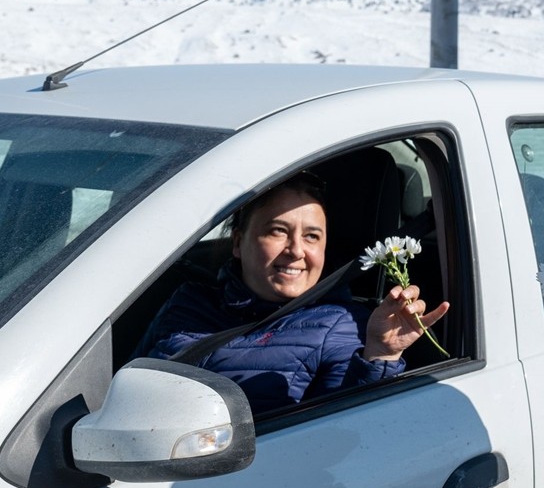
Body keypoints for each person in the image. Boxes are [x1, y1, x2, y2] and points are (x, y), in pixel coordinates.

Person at [137, 171, 449, 414]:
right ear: (237, 242)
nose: (296, 250)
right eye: (277, 231)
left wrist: (380, 355)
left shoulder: (341, 325)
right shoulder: (188, 300)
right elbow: (126, 383)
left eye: (312, 236)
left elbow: (345, 431)